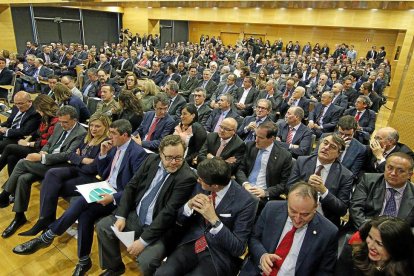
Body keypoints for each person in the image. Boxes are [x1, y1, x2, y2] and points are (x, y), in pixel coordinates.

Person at [12, 119, 148, 276]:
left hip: (119, 197)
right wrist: (103, 155)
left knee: (82, 202)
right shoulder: (112, 147)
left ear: (124, 135)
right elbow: (103, 173)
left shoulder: (138, 154)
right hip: (105, 187)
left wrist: (113, 197)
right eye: (109, 132)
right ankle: (83, 260)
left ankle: (48, 236)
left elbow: (135, 188)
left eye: (113, 134)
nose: (109, 137)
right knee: (84, 213)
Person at [95, 135, 197, 275]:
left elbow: (168, 212)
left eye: (178, 157)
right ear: (160, 153)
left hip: (161, 228)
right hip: (136, 216)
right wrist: (122, 216)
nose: (174, 162)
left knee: (147, 260)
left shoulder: (187, 177)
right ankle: (115, 267)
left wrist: (143, 241)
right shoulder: (151, 160)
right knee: (103, 227)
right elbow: (131, 186)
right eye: (169, 157)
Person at [155, 158, 259, 276]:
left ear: (215, 186)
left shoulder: (247, 202)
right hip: (191, 242)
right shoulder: (202, 183)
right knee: (163, 273)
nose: (198, 180)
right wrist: (188, 206)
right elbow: (179, 219)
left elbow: (238, 248)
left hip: (218, 255)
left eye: (201, 180)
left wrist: (214, 220)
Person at [18, 112, 111, 236]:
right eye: (91, 125)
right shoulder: (87, 138)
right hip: (77, 169)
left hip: (89, 177)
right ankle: (45, 220)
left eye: (97, 126)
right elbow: (70, 154)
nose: (93, 129)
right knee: (51, 174)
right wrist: (82, 159)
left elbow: (93, 168)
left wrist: (78, 158)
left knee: (53, 186)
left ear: (105, 127)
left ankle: (45, 221)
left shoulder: (106, 143)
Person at [0, 106, 87, 238]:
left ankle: (4, 195)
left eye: (66, 122)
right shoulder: (59, 126)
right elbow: (49, 143)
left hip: (60, 167)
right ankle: (19, 216)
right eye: (61, 121)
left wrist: (42, 157)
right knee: (23, 178)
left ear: (75, 120)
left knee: (22, 162)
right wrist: (43, 151)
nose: (62, 125)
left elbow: (68, 155)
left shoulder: (81, 132)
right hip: (46, 161)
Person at [240, 181, 338, 276]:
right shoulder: (271, 209)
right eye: (293, 211)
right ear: (287, 201)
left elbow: (325, 272)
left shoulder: (328, 232)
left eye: (305, 214)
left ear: (315, 208)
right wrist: (262, 256)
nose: (297, 219)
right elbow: (253, 238)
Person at [287, 134, 353, 227]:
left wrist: (324, 191)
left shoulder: (346, 175)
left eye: (332, 147)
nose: (326, 148)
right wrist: (306, 186)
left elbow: (342, 210)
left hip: (323, 220)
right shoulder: (302, 162)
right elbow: (288, 188)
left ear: (339, 154)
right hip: (297, 213)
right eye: (325, 143)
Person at [349, 152, 414, 230]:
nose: (393, 173)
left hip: (397, 238)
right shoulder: (368, 180)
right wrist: (371, 233)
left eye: (400, 171)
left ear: (410, 175)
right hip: (364, 230)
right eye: (390, 168)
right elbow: (356, 209)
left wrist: (398, 236)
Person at [236, 122, 292, 211]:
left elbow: (283, 184)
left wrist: (266, 192)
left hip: (262, 195)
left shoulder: (284, 156)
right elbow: (240, 169)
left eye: (260, 138)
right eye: (256, 136)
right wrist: (245, 184)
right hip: (245, 188)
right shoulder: (250, 146)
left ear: (272, 139)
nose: (256, 140)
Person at [0, 95, 58, 176]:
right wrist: (28, 139)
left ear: (44, 108)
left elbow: (49, 142)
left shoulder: (56, 121)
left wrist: (28, 144)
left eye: (38, 109)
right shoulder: (45, 117)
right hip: (36, 143)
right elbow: (37, 132)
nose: (37, 111)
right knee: (11, 157)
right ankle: (10, 187)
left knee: (9, 147)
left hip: (43, 150)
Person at [338, 216, 414, 276]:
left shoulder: (407, 268)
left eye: (379, 244)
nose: (371, 246)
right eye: (370, 237)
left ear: (396, 248)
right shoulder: (353, 253)